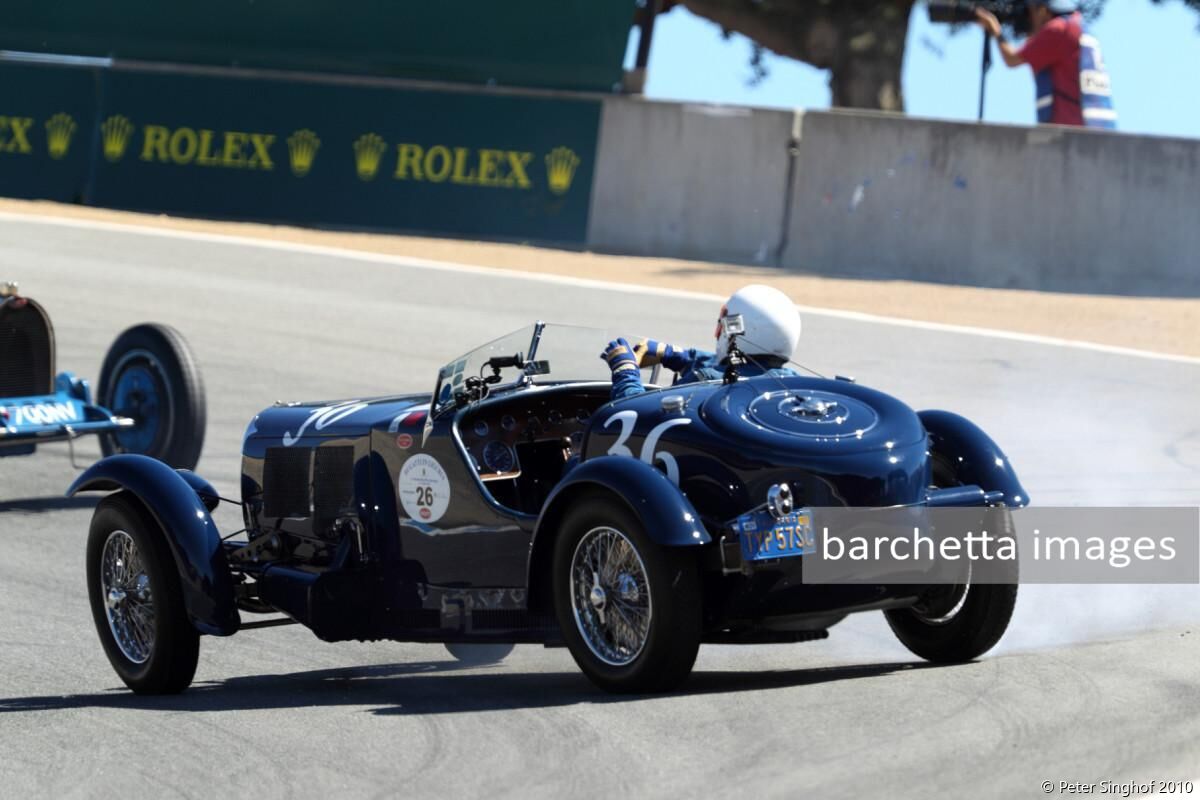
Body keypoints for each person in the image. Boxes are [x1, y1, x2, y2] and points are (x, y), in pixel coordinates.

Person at [603, 284, 802, 401]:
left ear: (736, 330)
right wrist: (679, 356)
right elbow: (743, 368)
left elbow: (638, 417)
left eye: (722, 325)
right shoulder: (795, 384)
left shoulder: (704, 382)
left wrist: (625, 372)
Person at [975, 0, 1117, 129]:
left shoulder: (1057, 30)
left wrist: (995, 29)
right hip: (1099, 129)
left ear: (1043, 10)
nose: (1029, 18)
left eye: (1030, 12)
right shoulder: (1080, 29)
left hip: (1070, 133)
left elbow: (1011, 59)